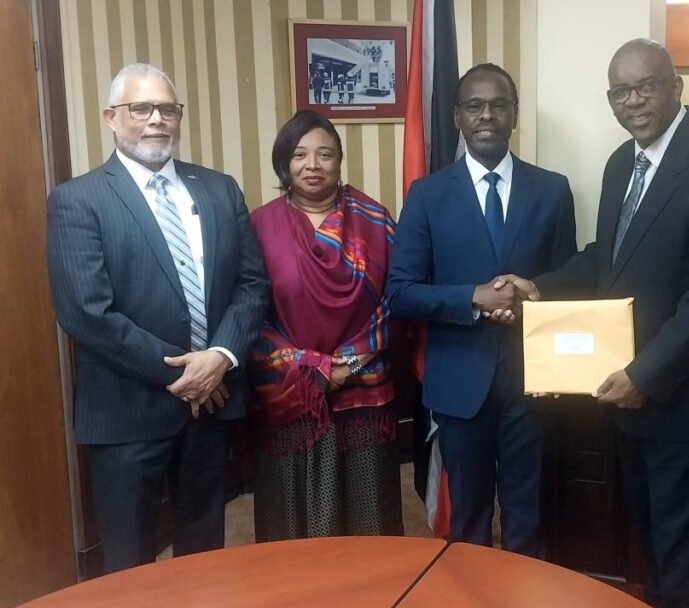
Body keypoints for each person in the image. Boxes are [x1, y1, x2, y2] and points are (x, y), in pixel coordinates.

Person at [504, 39, 689, 608]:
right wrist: (540, 285)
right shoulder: (623, 162)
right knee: (652, 543)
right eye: (620, 91)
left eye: (646, 85)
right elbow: (607, 260)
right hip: (627, 400)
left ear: (676, 86)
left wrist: (646, 373)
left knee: (685, 551)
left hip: (682, 401)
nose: (634, 101)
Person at [46, 63, 268, 574]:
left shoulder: (218, 189)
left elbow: (252, 285)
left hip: (211, 410)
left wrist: (221, 357)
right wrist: (190, 376)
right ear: (110, 117)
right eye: (140, 109)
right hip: (127, 415)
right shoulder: (77, 201)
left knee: (204, 553)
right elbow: (86, 313)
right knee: (129, 566)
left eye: (168, 109)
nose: (156, 121)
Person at [386, 63, 577, 557]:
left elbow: (568, 279)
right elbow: (401, 292)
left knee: (526, 512)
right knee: (466, 517)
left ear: (514, 114)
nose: (487, 115)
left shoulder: (552, 189)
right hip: (457, 383)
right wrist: (473, 297)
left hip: (532, 379)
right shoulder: (427, 195)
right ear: (456, 117)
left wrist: (530, 292)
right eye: (475, 105)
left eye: (498, 105)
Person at [248, 110, 403, 541]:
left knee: (368, 521)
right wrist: (312, 367)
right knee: (292, 526)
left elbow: (397, 299)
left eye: (325, 154)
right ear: (284, 162)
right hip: (289, 393)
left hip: (363, 392)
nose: (312, 165)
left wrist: (346, 366)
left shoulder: (374, 220)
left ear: (339, 161)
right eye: (299, 154)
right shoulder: (258, 225)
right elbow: (249, 309)